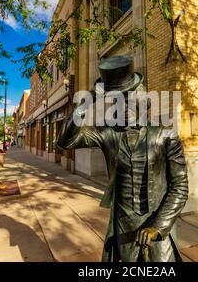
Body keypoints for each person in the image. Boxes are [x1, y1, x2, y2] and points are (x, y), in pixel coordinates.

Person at [57, 56, 188, 262]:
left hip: (158, 227)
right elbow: (66, 140)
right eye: (120, 101)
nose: (125, 107)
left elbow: (179, 188)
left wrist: (159, 226)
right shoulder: (108, 134)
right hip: (123, 226)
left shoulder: (166, 135)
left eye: (131, 100)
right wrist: (89, 99)